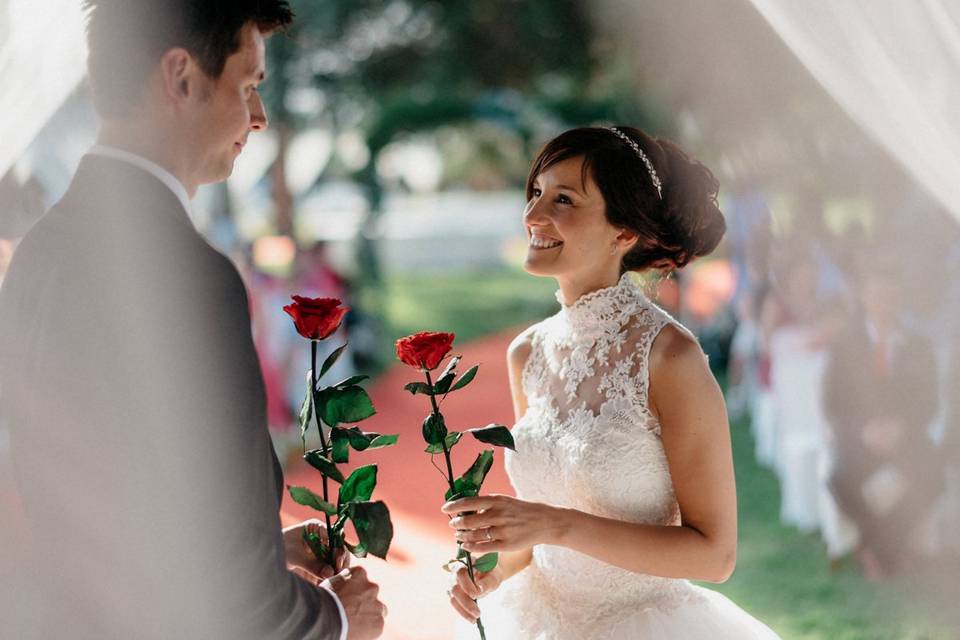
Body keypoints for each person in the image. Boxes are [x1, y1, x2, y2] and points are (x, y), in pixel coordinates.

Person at [0, 2, 385, 638]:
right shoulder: (186, 277)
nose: (258, 117)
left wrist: (259, 553)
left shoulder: (40, 251)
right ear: (180, 77)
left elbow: (103, 495)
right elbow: (238, 611)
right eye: (248, 85)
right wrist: (340, 619)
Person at [441, 126, 781, 638]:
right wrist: (489, 571)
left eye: (563, 200)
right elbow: (534, 546)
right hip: (539, 623)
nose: (534, 215)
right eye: (535, 193)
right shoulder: (526, 354)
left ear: (623, 232)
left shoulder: (670, 358)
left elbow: (715, 555)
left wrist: (554, 523)